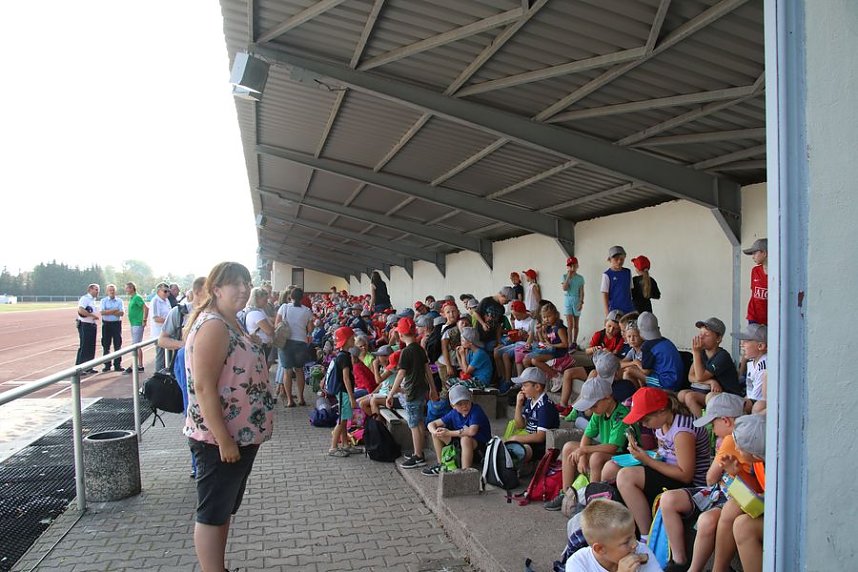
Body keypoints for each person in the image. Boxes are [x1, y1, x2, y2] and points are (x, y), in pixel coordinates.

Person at [182, 262, 274, 572]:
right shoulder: (214, 325)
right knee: (212, 512)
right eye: (235, 283)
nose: (244, 288)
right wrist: (223, 440)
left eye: (246, 282)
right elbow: (204, 387)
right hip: (220, 440)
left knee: (222, 509)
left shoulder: (230, 321)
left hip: (240, 437)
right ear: (216, 289)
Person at [656, 393, 748, 572]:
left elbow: (711, 478)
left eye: (713, 424)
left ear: (726, 421)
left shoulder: (729, 440)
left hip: (726, 495)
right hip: (723, 494)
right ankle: (684, 565)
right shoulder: (742, 435)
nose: (712, 430)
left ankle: (687, 566)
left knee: (704, 519)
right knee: (669, 499)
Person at [615, 387, 711, 537]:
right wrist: (644, 455)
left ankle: (646, 536)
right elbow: (663, 453)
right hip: (670, 472)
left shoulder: (682, 430)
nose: (644, 425)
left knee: (626, 477)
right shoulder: (663, 423)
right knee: (611, 468)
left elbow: (686, 475)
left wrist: (646, 460)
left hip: (691, 485)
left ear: (661, 410)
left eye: (646, 420)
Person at [544, 373, 637, 511]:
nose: (591, 409)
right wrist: (581, 457)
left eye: (594, 405)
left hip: (625, 456)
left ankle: (592, 502)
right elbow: (587, 436)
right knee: (569, 447)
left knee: (596, 457)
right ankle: (566, 494)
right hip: (607, 452)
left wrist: (584, 451)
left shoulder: (621, 414)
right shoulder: (598, 413)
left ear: (608, 398)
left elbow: (613, 447)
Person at [159, 276, 205, 478]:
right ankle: (197, 465)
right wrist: (185, 346)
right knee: (193, 412)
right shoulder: (179, 312)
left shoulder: (215, 313)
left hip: (207, 364)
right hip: (185, 365)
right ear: (197, 292)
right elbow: (163, 340)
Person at [386, 317, 439, 469]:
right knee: (420, 422)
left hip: (411, 393)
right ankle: (419, 450)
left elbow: (401, 374)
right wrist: (433, 389)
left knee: (414, 425)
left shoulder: (406, 352)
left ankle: (418, 456)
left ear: (401, 335)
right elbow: (427, 370)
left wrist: (391, 394)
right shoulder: (420, 349)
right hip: (421, 391)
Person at [566, 499, 662, 572]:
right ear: (600, 549)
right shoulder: (579, 563)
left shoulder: (641, 550)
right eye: (626, 541)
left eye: (634, 535)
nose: (635, 544)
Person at [422, 384, 492, 475]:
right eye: (459, 404)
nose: (464, 406)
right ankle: (442, 465)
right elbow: (432, 424)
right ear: (452, 405)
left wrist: (448, 433)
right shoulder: (453, 413)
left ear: (471, 399)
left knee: (465, 438)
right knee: (438, 432)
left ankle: (465, 472)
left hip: (480, 450)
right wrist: (435, 432)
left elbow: (472, 431)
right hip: (461, 447)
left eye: (466, 402)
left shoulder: (476, 410)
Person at [679, 317, 742, 417]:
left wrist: (695, 352)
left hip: (729, 396)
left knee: (690, 397)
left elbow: (700, 377)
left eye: (706, 335)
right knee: (681, 395)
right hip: (710, 392)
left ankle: (706, 428)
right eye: (700, 334)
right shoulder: (702, 353)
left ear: (718, 338)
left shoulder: (722, 356)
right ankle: (693, 424)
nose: (701, 337)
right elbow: (691, 376)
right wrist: (711, 381)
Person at [730, 414, 767, 572]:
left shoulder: (774, 465)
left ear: (754, 452)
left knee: (742, 526)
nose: (736, 449)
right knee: (731, 508)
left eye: (740, 446)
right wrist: (738, 473)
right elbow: (758, 488)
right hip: (766, 509)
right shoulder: (757, 462)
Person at [506, 367, 560, 464]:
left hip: (541, 446)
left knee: (518, 449)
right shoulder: (530, 400)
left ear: (537, 387)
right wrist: (518, 405)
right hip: (529, 438)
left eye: (525, 385)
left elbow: (540, 437)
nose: (522, 388)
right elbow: (520, 425)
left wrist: (516, 439)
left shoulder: (545, 407)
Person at [624, 312, 684, 391]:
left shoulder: (648, 346)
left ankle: (637, 398)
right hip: (678, 381)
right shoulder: (666, 341)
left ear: (640, 331)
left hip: (665, 383)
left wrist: (636, 363)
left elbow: (646, 372)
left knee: (629, 371)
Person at [275, 287, 314, 407]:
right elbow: (310, 329)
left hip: (286, 342)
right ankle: (301, 398)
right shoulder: (307, 311)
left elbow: (277, 324)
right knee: (299, 370)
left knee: (287, 371)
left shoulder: (284, 307)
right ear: (302, 298)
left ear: (290, 297)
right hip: (301, 342)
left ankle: (289, 400)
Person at [328, 326, 360, 457]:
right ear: (346, 340)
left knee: (345, 419)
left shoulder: (342, 355)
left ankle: (345, 445)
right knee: (341, 421)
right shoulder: (345, 358)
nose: (354, 339)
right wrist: (352, 398)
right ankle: (333, 447)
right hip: (344, 393)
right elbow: (346, 378)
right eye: (352, 338)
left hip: (343, 392)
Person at [523, 301, 569, 380]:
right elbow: (544, 342)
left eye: (549, 316)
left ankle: (556, 376)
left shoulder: (559, 328)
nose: (546, 319)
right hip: (550, 350)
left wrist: (552, 345)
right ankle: (536, 379)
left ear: (555, 315)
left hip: (559, 352)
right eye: (544, 317)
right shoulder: (549, 327)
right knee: (526, 360)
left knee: (535, 361)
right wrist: (540, 332)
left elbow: (565, 344)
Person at [734, 324, 768, 413]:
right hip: (751, 400)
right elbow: (749, 393)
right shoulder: (752, 362)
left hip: (757, 404)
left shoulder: (764, 363)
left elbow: (754, 399)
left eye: (746, 341)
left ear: (760, 346)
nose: (742, 345)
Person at [474, 286, 515, 353]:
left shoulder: (502, 309)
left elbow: (499, 326)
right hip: (480, 336)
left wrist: (499, 341)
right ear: (502, 295)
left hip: (492, 338)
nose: (507, 303)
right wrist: (483, 324)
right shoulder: (486, 301)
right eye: (507, 301)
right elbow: (476, 313)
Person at [243, 287, 274, 366]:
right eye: (264, 300)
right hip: (261, 345)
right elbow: (269, 331)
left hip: (259, 344)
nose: (266, 302)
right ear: (257, 299)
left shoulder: (251, 310)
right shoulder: (256, 313)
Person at [601, 245, 634, 316]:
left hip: (628, 309)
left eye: (621, 259)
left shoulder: (628, 272)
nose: (619, 261)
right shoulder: (607, 275)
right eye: (616, 259)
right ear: (610, 260)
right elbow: (605, 295)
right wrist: (607, 313)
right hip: (614, 310)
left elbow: (630, 290)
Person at [75, 283, 100, 374]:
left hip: (92, 325)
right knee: (84, 346)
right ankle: (79, 367)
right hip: (85, 324)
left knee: (91, 346)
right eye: (96, 289)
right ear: (90, 289)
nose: (98, 291)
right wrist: (91, 315)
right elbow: (81, 310)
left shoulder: (93, 300)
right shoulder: (85, 299)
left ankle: (89, 366)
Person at [124, 282, 148, 373]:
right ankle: (139, 365)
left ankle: (136, 365)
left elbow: (146, 308)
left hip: (137, 323)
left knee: (136, 345)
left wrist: (144, 320)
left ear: (131, 288)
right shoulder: (132, 298)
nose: (126, 290)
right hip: (134, 323)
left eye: (127, 288)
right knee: (136, 345)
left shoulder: (137, 297)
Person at [561, 257, 585, 350]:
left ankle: (574, 341)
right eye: (570, 266)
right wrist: (568, 276)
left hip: (576, 299)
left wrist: (581, 302)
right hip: (568, 299)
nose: (572, 267)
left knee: (576, 324)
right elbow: (564, 288)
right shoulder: (564, 276)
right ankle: (569, 342)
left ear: (577, 266)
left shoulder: (580, 278)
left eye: (574, 265)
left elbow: (582, 291)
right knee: (569, 324)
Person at [99, 284, 124, 372]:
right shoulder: (103, 301)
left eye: (113, 290)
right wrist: (114, 310)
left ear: (115, 291)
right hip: (106, 324)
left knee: (117, 344)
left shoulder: (119, 301)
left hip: (116, 324)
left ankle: (117, 365)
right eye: (110, 290)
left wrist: (108, 311)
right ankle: (107, 365)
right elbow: (102, 312)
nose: (112, 292)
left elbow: (121, 313)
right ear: (107, 291)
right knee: (106, 345)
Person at [743, 238, 768, 325]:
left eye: (755, 253)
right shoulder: (755, 271)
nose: (753, 256)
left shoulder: (776, 273)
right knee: (752, 338)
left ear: (764, 253)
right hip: (754, 316)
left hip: (770, 318)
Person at [149, 282, 172, 371]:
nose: (167, 294)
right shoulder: (155, 301)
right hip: (158, 333)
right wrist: (169, 321)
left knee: (168, 356)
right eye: (165, 291)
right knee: (161, 356)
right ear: (158, 291)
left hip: (167, 332)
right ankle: (158, 375)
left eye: (168, 292)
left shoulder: (167, 301)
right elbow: (156, 318)